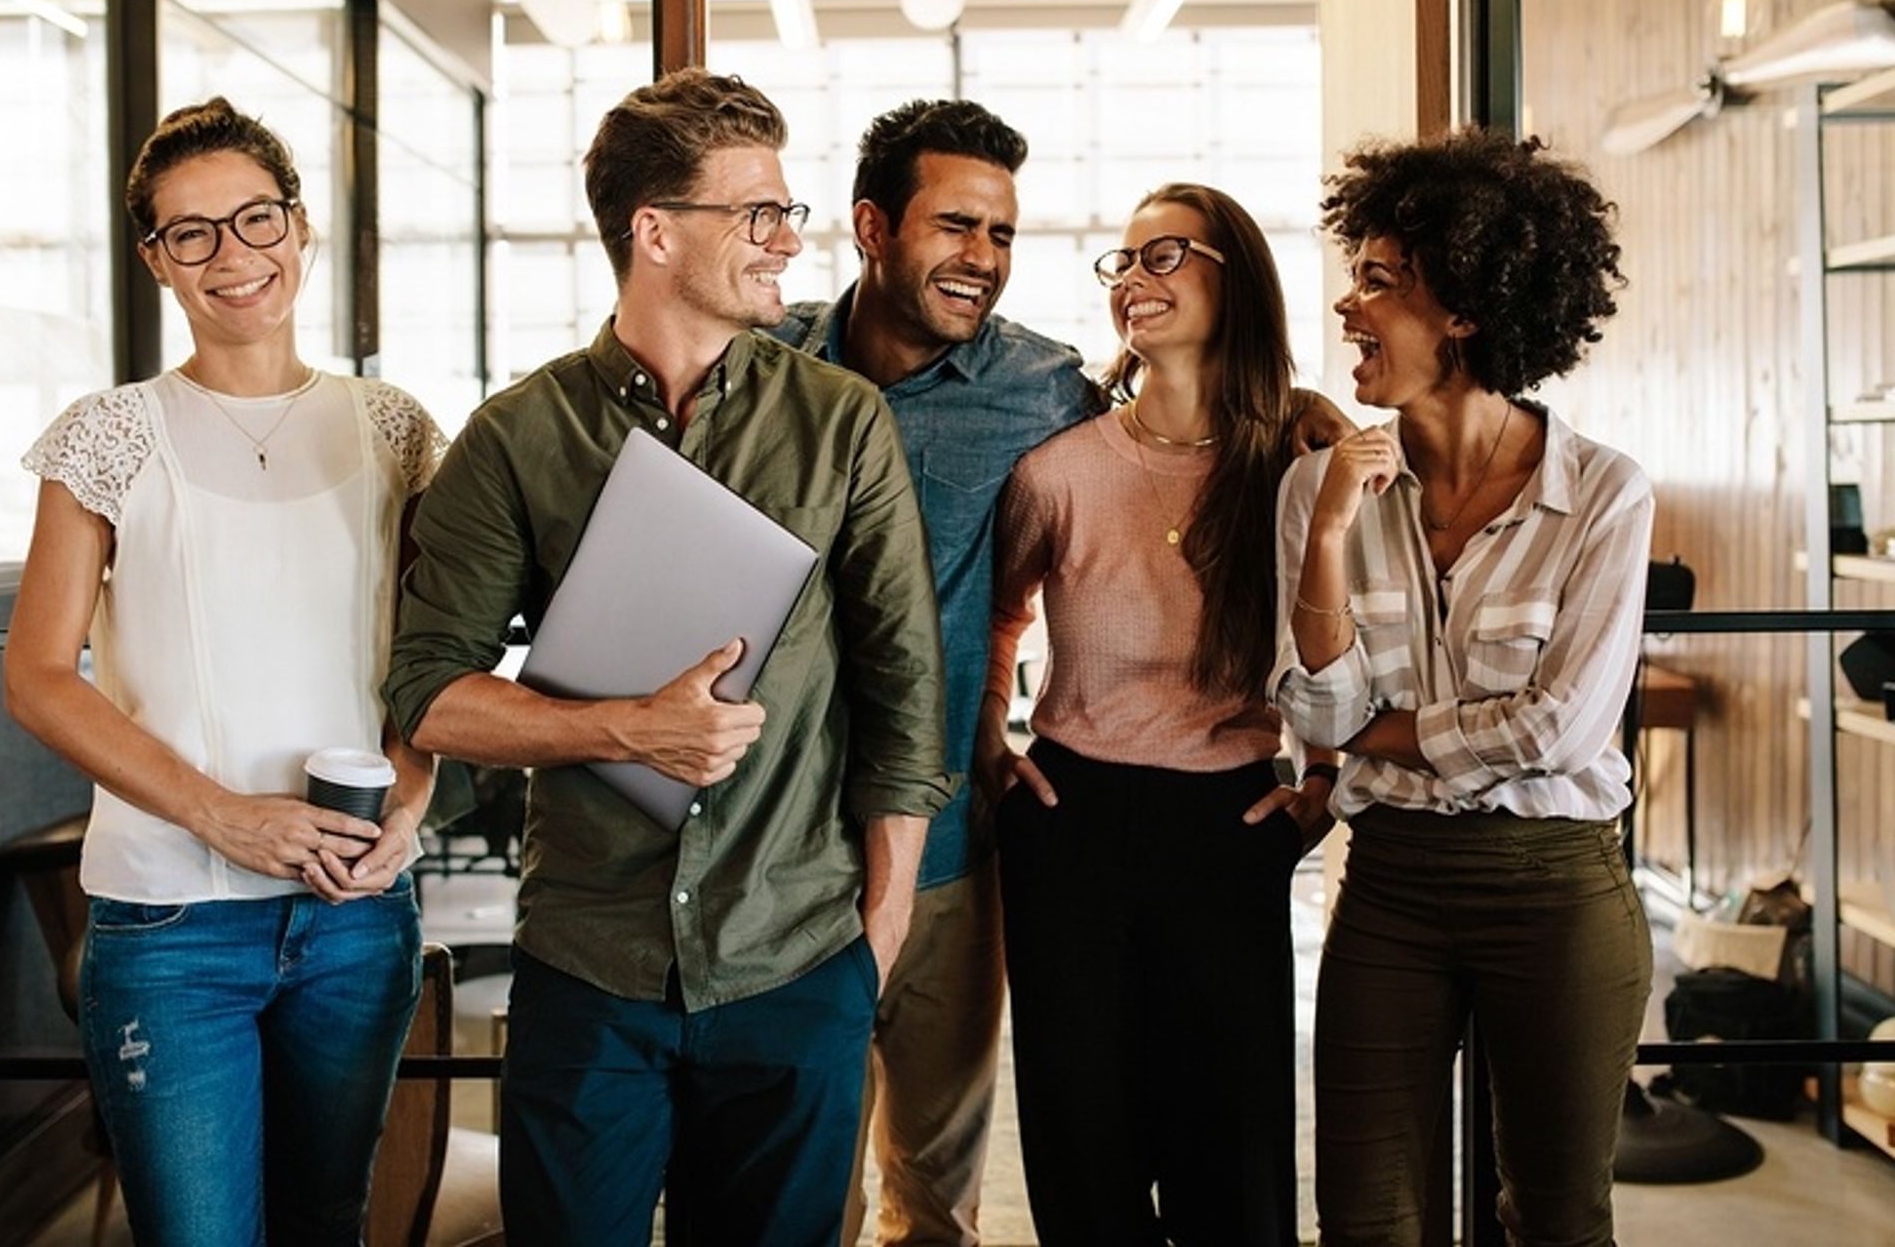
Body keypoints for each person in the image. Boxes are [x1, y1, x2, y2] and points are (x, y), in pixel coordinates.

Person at [380, 67, 951, 1246]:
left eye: (784, 213)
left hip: (796, 960)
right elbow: (429, 692)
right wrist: (624, 727)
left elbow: (905, 701)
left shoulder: (841, 422)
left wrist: (874, 944)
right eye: (756, 214)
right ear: (653, 232)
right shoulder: (518, 435)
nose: (787, 241)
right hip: (590, 965)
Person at [2, 97, 441, 1245]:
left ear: (299, 229)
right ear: (155, 259)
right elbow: (40, 677)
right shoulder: (108, 433)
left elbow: (436, 653)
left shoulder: (393, 428)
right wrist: (224, 817)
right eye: (189, 233)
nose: (231, 256)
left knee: (325, 1222)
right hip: (170, 924)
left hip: (353, 916)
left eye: (255, 219)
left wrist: (413, 794)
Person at [1271, 129, 1652, 1247]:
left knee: (1553, 1215)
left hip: (1558, 887)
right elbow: (1313, 714)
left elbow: (1563, 728)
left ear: (1467, 310)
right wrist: (1334, 526)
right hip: (1389, 884)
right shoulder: (1316, 491)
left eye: (1378, 282)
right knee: (1365, 1216)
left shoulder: (1602, 495)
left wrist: (1377, 731)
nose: (1346, 307)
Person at [977, 183, 1335, 1246]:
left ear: (1237, 277)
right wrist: (989, 742)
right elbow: (998, 616)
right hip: (1070, 819)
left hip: (1228, 827)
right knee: (1082, 1151)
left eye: (1163, 255)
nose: (1132, 279)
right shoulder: (1058, 471)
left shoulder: (1296, 461)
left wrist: (1322, 782)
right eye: (1121, 262)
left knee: (1233, 1160)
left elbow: (1353, 637)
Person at [771, 98, 1102, 1247]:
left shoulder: (1042, 391)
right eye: (955, 225)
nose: (983, 260)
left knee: (933, 1203)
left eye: (1002, 234)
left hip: (954, 849)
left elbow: (1186, 445)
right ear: (870, 226)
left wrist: (1300, 420)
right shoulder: (756, 369)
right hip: (776, 858)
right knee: (796, 1198)